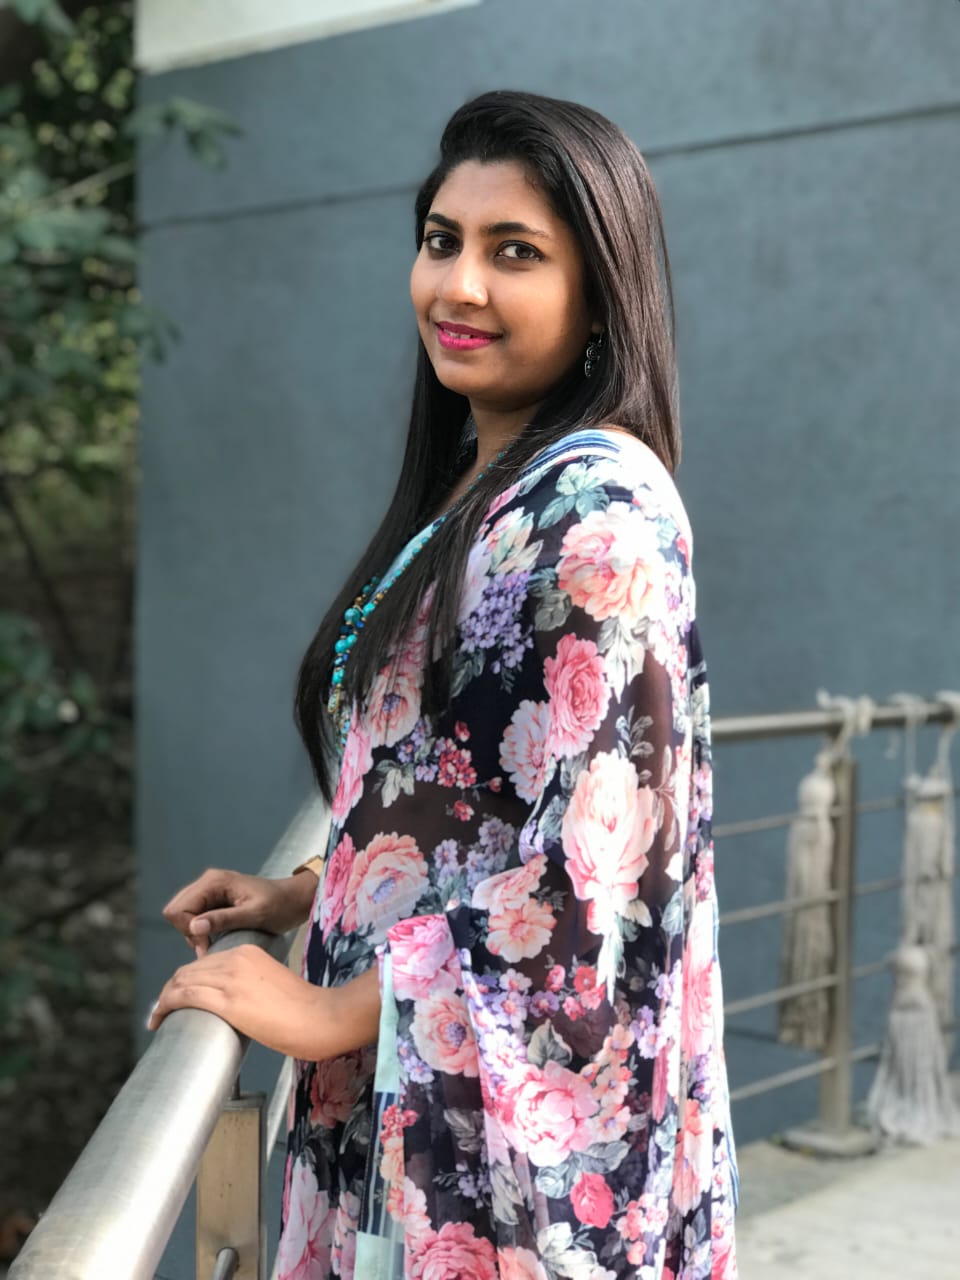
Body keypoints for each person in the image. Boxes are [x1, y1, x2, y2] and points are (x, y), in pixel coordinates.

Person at [152, 89, 739, 1280]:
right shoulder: (493, 481)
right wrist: (314, 890)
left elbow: (594, 882)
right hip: (400, 1097)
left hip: (485, 1172)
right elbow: (473, 782)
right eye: (441, 241)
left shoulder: (598, 514)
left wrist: (331, 1007)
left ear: (599, 294)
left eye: (514, 252)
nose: (458, 285)